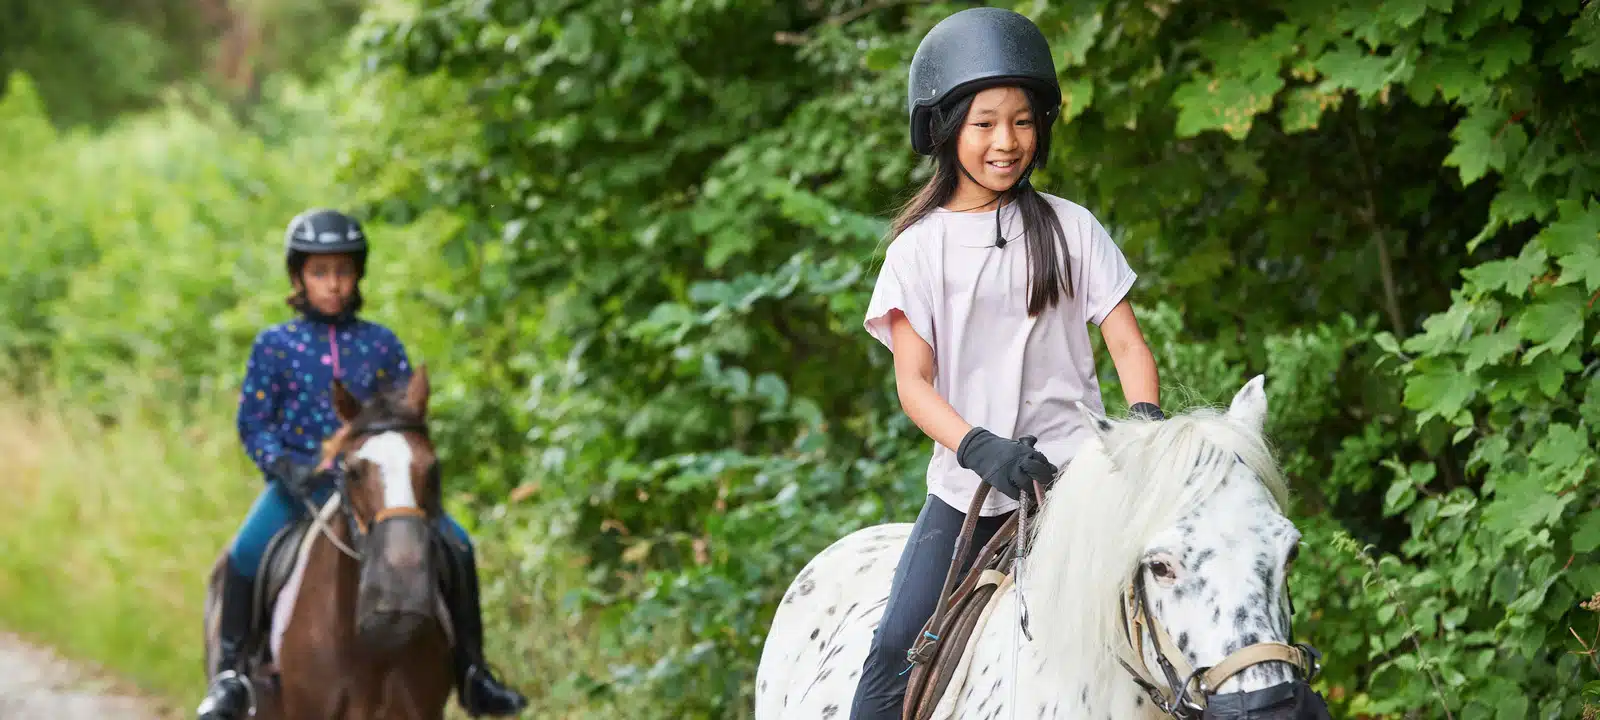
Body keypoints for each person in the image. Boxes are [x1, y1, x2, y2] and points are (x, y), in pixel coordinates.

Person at [848, 8, 1163, 718]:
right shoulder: (917, 253)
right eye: (985, 122)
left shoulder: (1072, 227)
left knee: (1186, 612)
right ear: (945, 129)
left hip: (1080, 484)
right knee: (892, 656)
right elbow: (913, 383)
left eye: (1022, 122)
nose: (1006, 141)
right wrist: (978, 446)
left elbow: (1127, 346)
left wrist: (1144, 429)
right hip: (972, 493)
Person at [196, 209, 528, 720]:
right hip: (298, 488)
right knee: (243, 556)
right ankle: (232, 677)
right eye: (320, 272)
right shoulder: (275, 346)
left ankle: (473, 672)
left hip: (376, 487)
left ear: (357, 277)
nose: (333, 284)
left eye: (343, 272)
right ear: (299, 278)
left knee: (457, 545)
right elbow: (254, 421)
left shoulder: (380, 344)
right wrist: (281, 462)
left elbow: (404, 416)